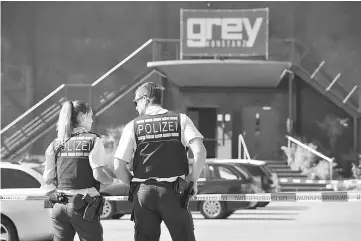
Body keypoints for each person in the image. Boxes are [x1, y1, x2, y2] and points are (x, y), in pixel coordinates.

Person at [113, 82, 207, 241]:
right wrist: (193, 179)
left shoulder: (133, 126)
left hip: (144, 194)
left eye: (136, 102)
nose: (136, 107)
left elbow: (118, 166)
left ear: (145, 99)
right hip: (174, 192)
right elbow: (200, 151)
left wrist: (136, 185)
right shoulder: (181, 120)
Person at [43, 100, 118, 241]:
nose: (92, 120)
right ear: (83, 117)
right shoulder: (93, 140)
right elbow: (99, 175)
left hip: (59, 207)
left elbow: (47, 179)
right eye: (90, 116)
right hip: (82, 208)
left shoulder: (56, 143)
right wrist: (113, 180)